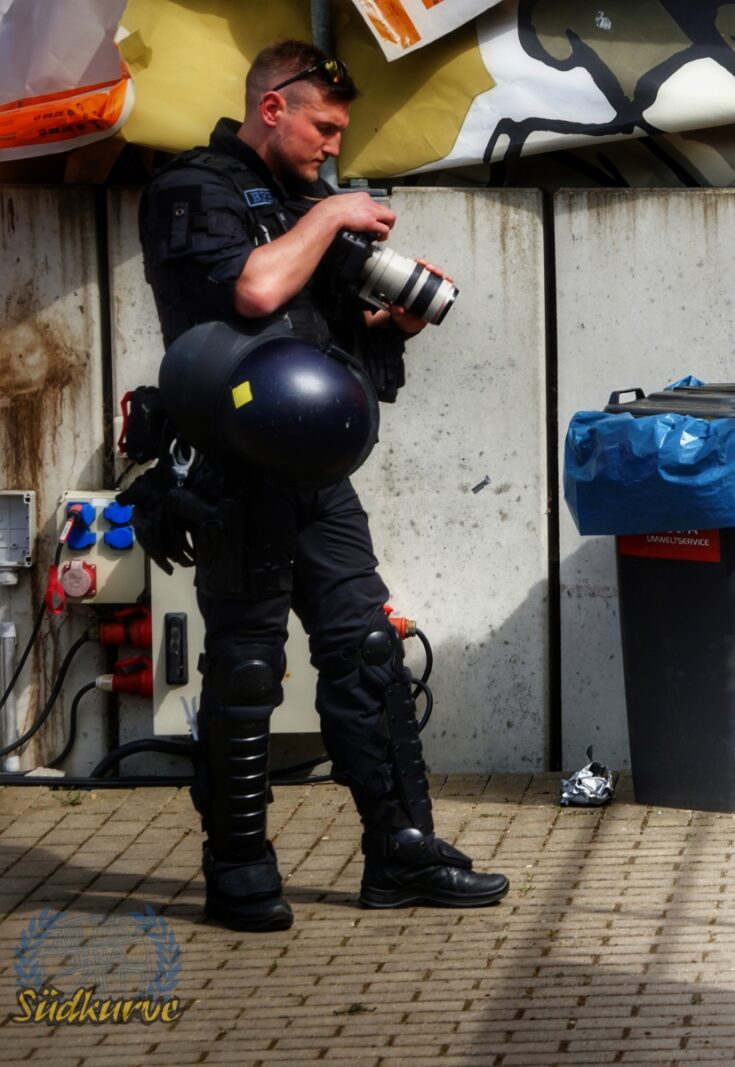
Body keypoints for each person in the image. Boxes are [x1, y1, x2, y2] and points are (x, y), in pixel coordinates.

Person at [133, 40, 508, 930]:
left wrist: (397, 322)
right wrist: (330, 214)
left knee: (367, 654)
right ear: (274, 108)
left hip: (316, 472)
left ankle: (402, 851)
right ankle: (238, 867)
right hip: (231, 469)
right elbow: (255, 291)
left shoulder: (311, 202)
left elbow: (338, 340)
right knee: (249, 669)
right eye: (323, 127)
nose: (332, 146)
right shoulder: (192, 190)